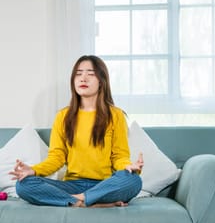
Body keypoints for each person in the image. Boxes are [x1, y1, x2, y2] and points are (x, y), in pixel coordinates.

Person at [9, 55, 143, 208]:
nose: (83, 79)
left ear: (101, 81)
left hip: (104, 185)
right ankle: (92, 202)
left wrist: (128, 166)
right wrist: (33, 171)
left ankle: (76, 199)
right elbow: (56, 158)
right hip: (72, 185)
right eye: (78, 74)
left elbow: (119, 156)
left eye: (90, 74)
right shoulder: (63, 116)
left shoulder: (115, 115)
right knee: (23, 185)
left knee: (134, 180)